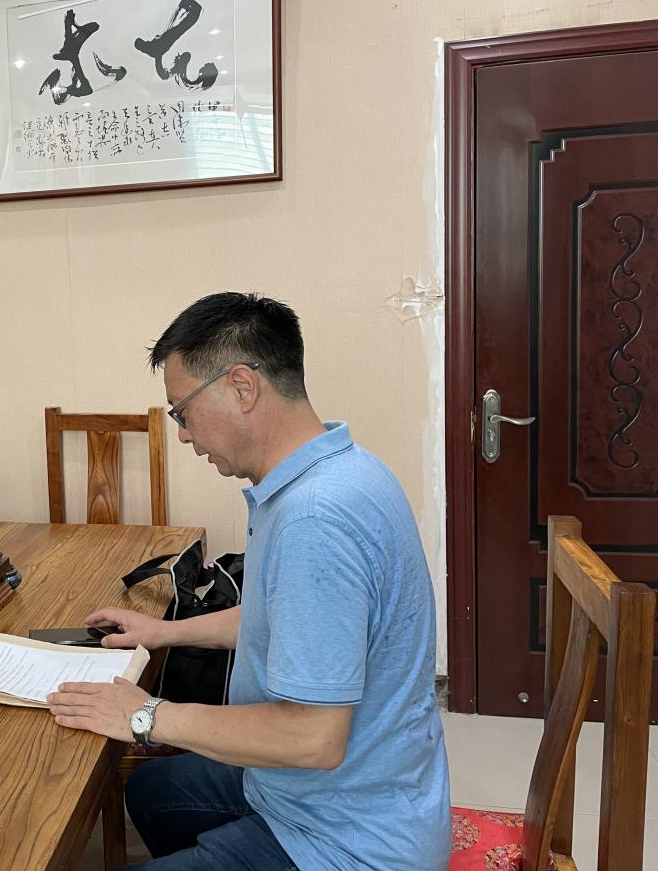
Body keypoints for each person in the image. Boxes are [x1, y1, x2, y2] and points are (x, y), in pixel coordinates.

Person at [47, 293, 450, 871]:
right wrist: (163, 632)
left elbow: (313, 738)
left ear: (242, 386)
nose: (183, 435)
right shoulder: (335, 469)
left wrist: (146, 714)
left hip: (347, 838)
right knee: (153, 790)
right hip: (341, 790)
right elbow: (281, 614)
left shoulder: (315, 519)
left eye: (182, 412)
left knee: (154, 768)